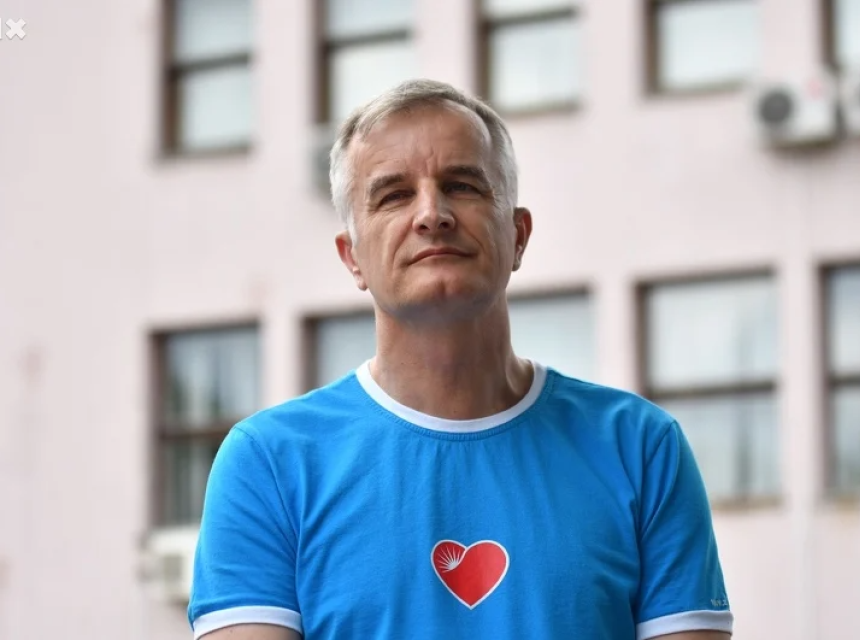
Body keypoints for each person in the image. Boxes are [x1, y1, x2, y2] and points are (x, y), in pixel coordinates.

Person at [187, 79, 733, 640]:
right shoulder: (269, 464)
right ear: (352, 258)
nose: (432, 214)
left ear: (518, 236)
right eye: (394, 195)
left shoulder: (640, 448)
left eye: (462, 185)